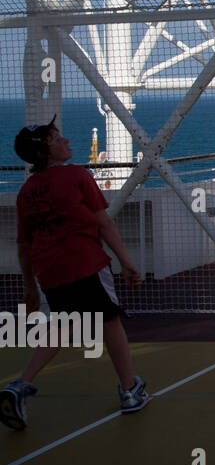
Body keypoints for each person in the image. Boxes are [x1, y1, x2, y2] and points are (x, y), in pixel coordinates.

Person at [1, 117, 149, 430]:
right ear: (45, 153)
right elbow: (104, 223)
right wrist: (126, 262)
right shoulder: (77, 176)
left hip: (49, 272)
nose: (65, 140)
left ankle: (20, 385)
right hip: (86, 264)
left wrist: (30, 288)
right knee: (110, 321)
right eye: (56, 138)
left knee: (64, 324)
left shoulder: (26, 192)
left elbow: (24, 247)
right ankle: (130, 390)